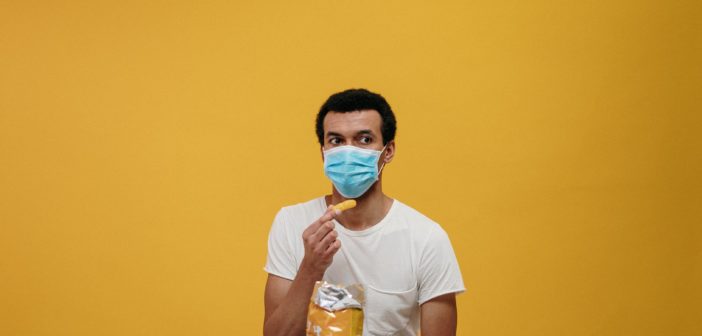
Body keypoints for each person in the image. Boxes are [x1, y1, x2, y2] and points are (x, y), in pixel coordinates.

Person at [263, 88, 465, 336]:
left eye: (364, 139)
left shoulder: (427, 238)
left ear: (387, 151)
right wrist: (310, 268)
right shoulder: (292, 223)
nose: (349, 151)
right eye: (336, 141)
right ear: (323, 153)